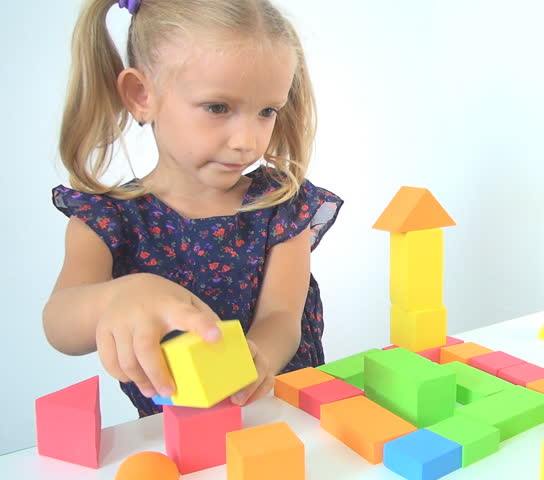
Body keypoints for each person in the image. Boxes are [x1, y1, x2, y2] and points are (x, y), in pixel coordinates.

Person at [42, 0, 342, 418]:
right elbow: (59, 324)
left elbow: (282, 317)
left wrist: (258, 357)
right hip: (181, 430)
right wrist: (124, 293)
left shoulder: (279, 205)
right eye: (218, 108)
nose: (247, 141)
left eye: (267, 111)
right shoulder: (107, 220)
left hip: (282, 412)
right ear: (141, 95)